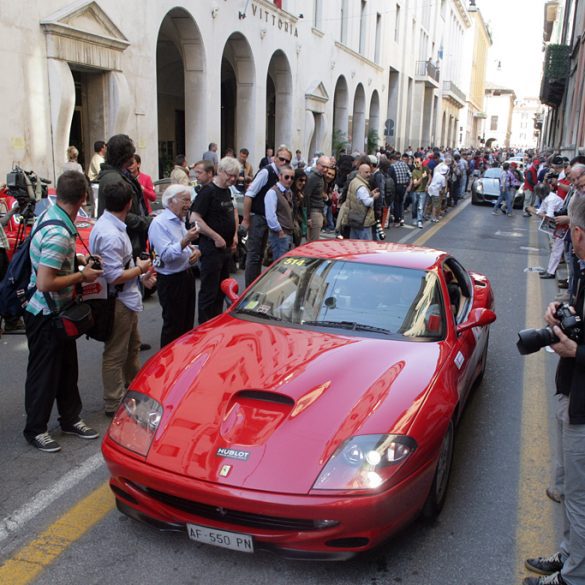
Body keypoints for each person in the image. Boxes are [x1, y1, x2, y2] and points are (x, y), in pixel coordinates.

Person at [522, 195, 585, 585]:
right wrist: (565, 312)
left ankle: (574, 577)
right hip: (572, 396)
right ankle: (568, 556)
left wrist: (577, 349)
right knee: (568, 491)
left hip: (584, 406)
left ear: (577, 233)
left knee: (579, 500)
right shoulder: (582, 268)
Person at [23, 171, 103, 452]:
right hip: (45, 314)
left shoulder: (52, 213)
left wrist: (77, 259)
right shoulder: (59, 232)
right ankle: (36, 429)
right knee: (44, 374)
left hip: (59, 311)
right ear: (83, 198)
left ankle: (70, 419)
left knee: (67, 370)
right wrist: (83, 276)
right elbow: (46, 281)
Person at [89, 181, 156, 416]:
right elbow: (114, 276)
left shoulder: (111, 225)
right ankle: (113, 402)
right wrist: (140, 269)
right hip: (117, 300)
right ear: (129, 203)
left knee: (132, 345)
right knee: (116, 352)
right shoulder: (110, 234)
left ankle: (133, 388)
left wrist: (139, 273)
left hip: (125, 297)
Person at [148, 185, 200, 347]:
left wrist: (196, 251)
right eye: (185, 200)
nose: (188, 205)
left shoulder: (179, 221)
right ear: (171, 201)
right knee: (173, 327)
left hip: (186, 276)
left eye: (189, 200)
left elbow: (186, 248)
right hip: (171, 280)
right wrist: (186, 241)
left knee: (186, 326)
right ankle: (167, 366)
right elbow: (166, 255)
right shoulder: (159, 223)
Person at [191, 157, 239, 324]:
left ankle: (216, 323)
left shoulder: (227, 191)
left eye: (235, 176)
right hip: (211, 249)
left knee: (222, 289)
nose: (233, 179)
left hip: (225, 250)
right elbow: (195, 218)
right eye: (230, 175)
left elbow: (232, 213)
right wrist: (215, 236)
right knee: (209, 292)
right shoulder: (207, 192)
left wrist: (234, 236)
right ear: (220, 172)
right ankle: (204, 326)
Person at [242, 145, 292, 287]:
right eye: (281, 159)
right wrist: (246, 220)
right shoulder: (266, 172)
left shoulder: (281, 175)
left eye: (286, 161)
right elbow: (249, 195)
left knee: (261, 255)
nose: (283, 162)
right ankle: (249, 289)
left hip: (269, 219)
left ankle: (255, 287)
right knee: (254, 255)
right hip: (258, 217)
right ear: (274, 158)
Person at [97, 134, 150, 259]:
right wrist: (146, 221)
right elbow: (119, 214)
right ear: (124, 156)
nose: (133, 157)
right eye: (131, 154)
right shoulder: (113, 179)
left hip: (130, 241)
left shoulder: (120, 175)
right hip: (125, 243)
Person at [265, 165, 295, 260]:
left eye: (292, 178)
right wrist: (280, 231)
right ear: (280, 176)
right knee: (279, 266)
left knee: (285, 265)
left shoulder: (288, 192)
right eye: (286, 177)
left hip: (287, 233)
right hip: (279, 235)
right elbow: (270, 216)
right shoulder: (272, 192)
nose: (289, 180)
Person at [345, 163, 380, 240]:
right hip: (363, 221)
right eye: (366, 172)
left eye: (369, 172)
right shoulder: (361, 186)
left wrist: (370, 193)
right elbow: (367, 202)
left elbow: (359, 198)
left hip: (354, 219)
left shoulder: (354, 181)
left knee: (354, 244)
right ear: (360, 172)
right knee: (365, 246)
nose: (369, 174)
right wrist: (374, 197)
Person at [304, 155, 330, 241]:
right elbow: (307, 196)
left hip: (317, 212)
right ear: (317, 165)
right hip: (314, 213)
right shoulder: (314, 177)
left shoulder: (320, 177)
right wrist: (308, 217)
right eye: (323, 166)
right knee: (313, 243)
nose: (325, 169)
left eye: (327, 167)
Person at [411, 155, 430, 228]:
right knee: (414, 206)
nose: (416, 163)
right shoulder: (414, 171)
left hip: (423, 191)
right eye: (415, 162)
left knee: (420, 207)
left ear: (421, 162)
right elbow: (415, 184)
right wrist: (422, 177)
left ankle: (419, 220)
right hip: (415, 191)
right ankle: (414, 218)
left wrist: (427, 185)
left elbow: (429, 177)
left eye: (418, 162)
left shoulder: (426, 169)